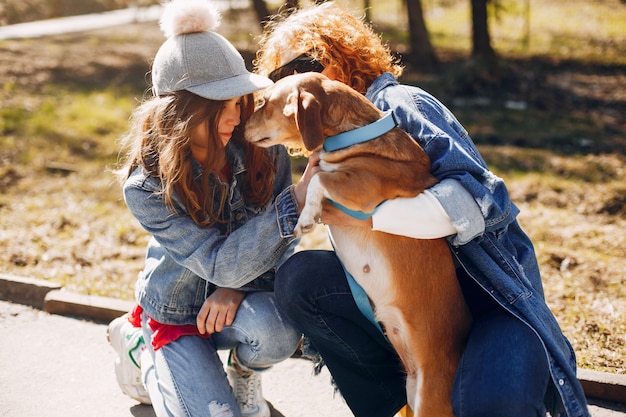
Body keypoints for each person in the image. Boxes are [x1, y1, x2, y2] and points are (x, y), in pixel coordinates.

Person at [254, 3, 590, 417]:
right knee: (300, 279)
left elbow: (477, 205)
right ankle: (399, 407)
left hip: (487, 300)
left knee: (492, 404)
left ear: (336, 57)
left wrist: (366, 214)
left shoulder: (399, 104)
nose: (291, 85)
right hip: (410, 305)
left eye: (302, 66)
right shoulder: (333, 144)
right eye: (279, 78)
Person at [107, 1, 316, 416]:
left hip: (240, 303)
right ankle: (139, 350)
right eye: (220, 101)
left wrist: (235, 287)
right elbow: (218, 264)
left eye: (239, 98)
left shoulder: (262, 150)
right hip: (177, 313)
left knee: (278, 330)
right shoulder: (146, 186)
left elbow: (276, 247)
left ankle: (242, 371)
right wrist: (296, 199)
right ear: (182, 108)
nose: (236, 113)